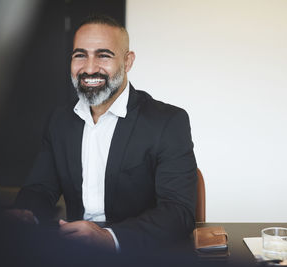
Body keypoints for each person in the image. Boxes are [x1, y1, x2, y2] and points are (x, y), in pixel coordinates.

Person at [13, 14, 198, 253]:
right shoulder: (60, 120)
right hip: (75, 249)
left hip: (139, 253)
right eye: (80, 55)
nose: (89, 68)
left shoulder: (168, 122)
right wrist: (26, 215)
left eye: (103, 55)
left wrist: (111, 238)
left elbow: (178, 212)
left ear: (128, 61)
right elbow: (39, 189)